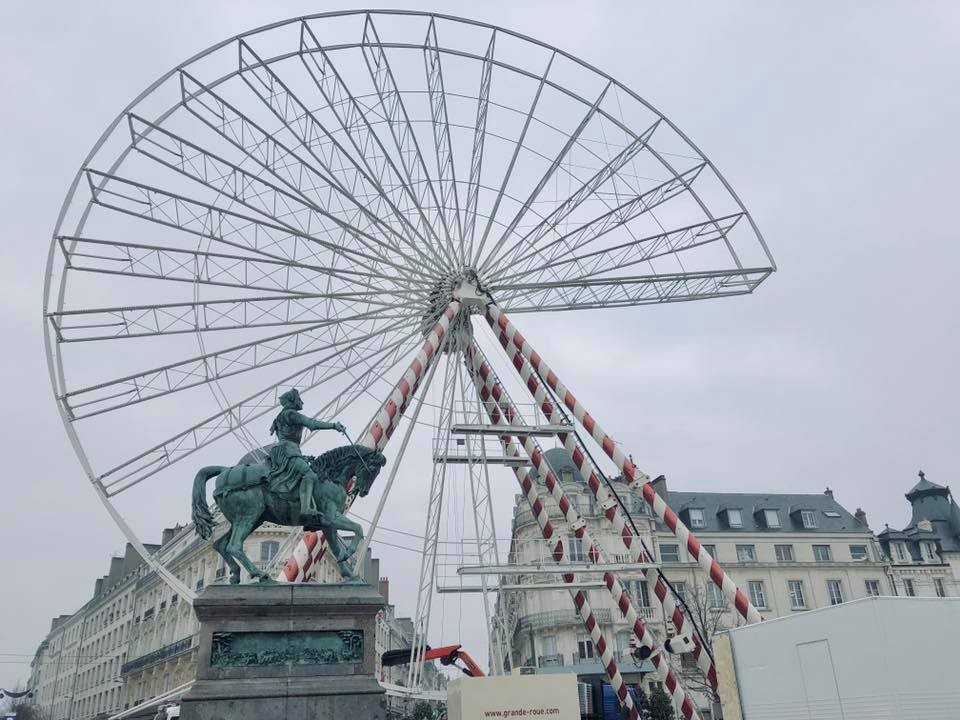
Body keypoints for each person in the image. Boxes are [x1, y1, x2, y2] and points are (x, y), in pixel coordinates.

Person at [268, 389, 345, 522]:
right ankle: (305, 508)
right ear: (292, 401)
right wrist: (333, 426)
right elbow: (312, 424)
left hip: (282, 451)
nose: (301, 402)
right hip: (289, 451)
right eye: (299, 399)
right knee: (309, 475)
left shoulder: (279, 418)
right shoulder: (291, 414)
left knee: (301, 475)